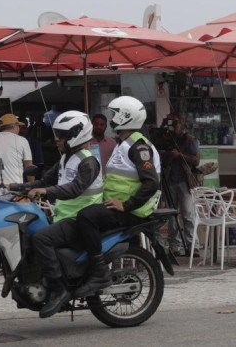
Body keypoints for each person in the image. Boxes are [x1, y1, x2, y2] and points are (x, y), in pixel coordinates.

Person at [12, 110, 104, 318]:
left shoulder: (88, 161)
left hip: (80, 219)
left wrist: (45, 192)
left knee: (41, 238)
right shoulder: (66, 158)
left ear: (76, 134)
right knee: (27, 231)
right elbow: (45, 180)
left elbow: (75, 188)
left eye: (61, 135)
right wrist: (15, 186)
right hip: (63, 216)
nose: (56, 139)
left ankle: (58, 287)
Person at [73, 96, 161, 298]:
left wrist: (127, 204)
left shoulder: (138, 147)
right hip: (118, 206)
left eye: (114, 114)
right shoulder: (124, 143)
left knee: (86, 217)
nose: (112, 118)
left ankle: (98, 272)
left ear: (126, 116)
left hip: (133, 210)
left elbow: (152, 182)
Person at [155, 113, 200, 257]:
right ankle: (175, 245)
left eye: (175, 123)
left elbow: (196, 160)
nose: (173, 126)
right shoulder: (166, 139)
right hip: (170, 180)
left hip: (184, 181)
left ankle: (193, 245)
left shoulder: (188, 140)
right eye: (170, 123)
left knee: (187, 213)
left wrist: (179, 155)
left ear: (181, 124)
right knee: (171, 215)